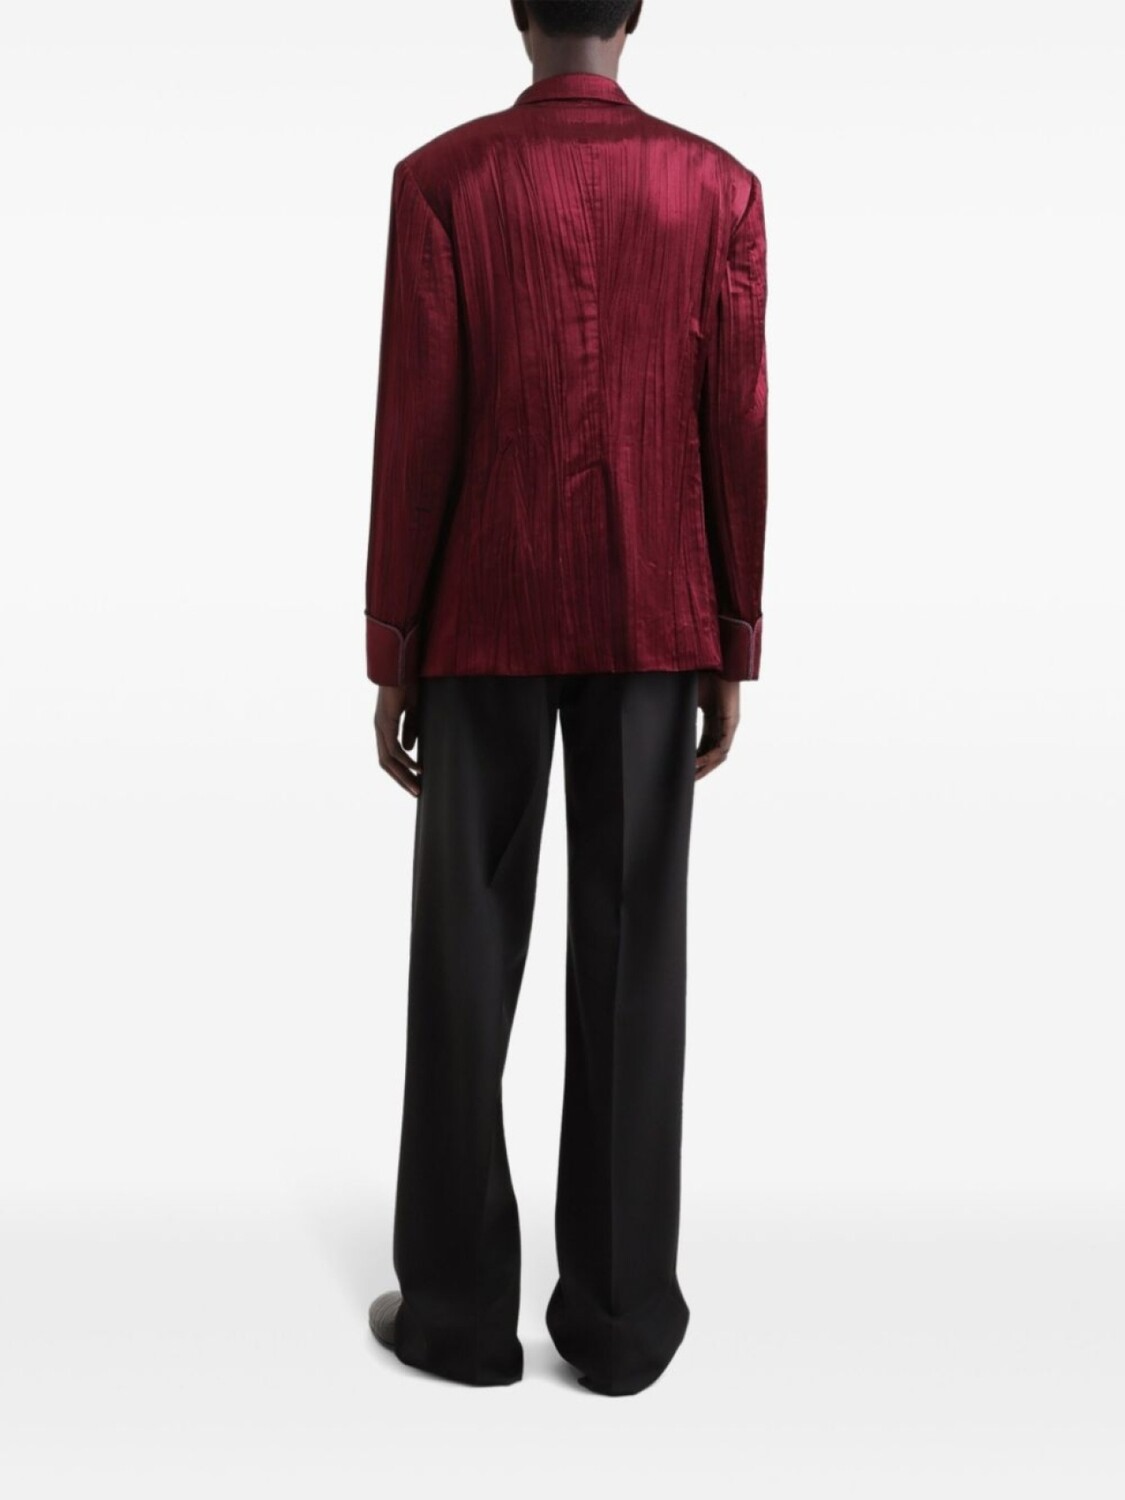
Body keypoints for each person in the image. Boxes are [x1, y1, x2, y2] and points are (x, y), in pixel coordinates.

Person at [364, 0, 768, 1396]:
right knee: (634, 960)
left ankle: (457, 1316)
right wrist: (731, 639)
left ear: (519, 14)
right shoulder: (716, 189)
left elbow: (417, 422)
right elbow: (735, 422)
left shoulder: (443, 182)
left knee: (463, 960)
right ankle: (620, 1320)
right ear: (634, 14)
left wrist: (394, 644)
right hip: (656, 617)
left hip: (483, 614)